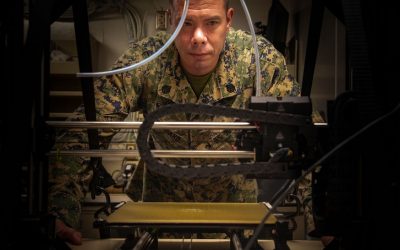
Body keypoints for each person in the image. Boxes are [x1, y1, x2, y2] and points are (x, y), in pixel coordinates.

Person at [49, 0, 301, 246]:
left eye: (211, 22)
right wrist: (58, 214)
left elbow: (303, 138)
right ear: (171, 20)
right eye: (186, 22)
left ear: (228, 20)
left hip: (236, 221)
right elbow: (82, 132)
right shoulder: (146, 60)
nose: (198, 37)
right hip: (158, 220)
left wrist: (325, 221)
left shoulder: (258, 61)